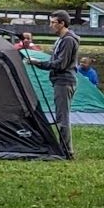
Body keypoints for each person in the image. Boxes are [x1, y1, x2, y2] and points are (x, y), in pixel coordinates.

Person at [46, 12, 81, 158]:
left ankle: (67, 152)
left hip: (64, 81)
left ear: (62, 23)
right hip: (60, 81)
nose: (51, 25)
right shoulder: (61, 40)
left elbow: (61, 64)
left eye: (53, 22)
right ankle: (64, 149)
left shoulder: (68, 40)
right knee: (61, 116)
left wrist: (39, 63)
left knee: (62, 118)